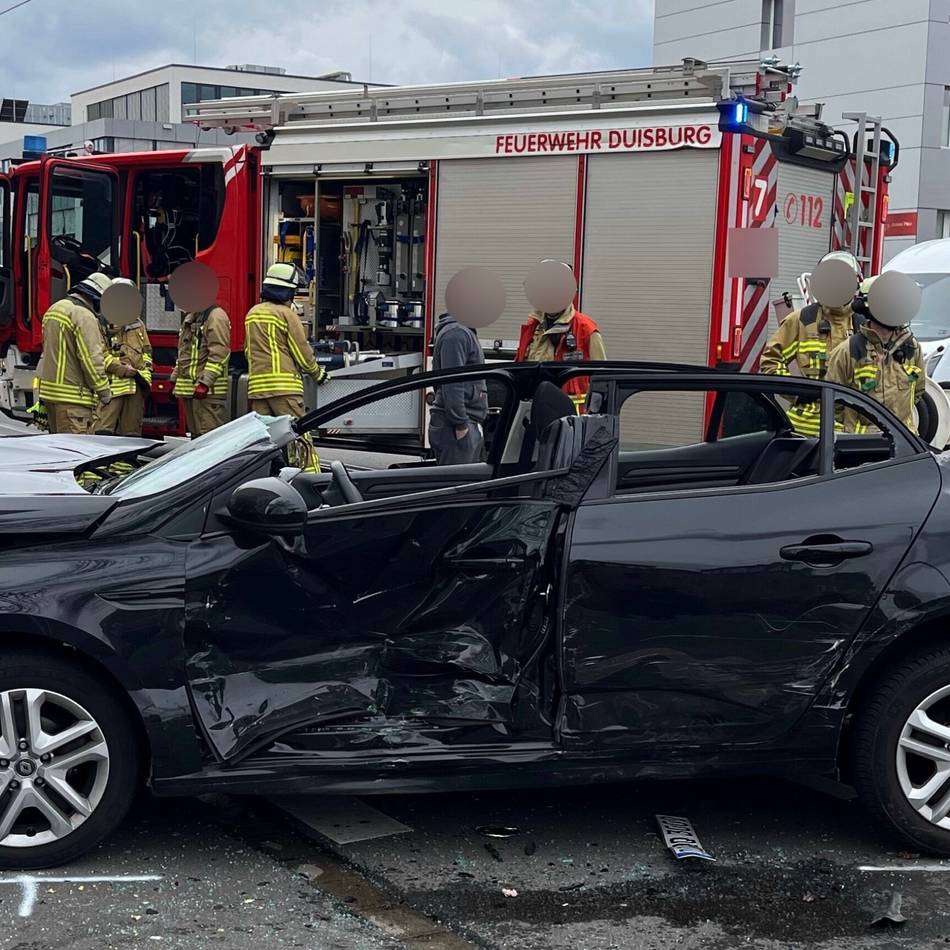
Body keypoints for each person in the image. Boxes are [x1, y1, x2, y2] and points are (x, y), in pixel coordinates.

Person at [759, 251, 863, 436]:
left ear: (856, 283)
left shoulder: (864, 326)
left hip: (850, 437)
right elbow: (770, 361)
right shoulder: (802, 320)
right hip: (804, 432)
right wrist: (797, 392)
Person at [245, 263, 330, 471]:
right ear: (288, 291)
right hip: (285, 390)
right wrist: (318, 374)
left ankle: (270, 478)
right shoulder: (287, 315)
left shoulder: (253, 313)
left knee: (266, 442)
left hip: (257, 390)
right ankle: (313, 480)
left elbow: (249, 351)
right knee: (298, 437)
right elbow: (302, 352)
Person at [825, 274, 927, 435]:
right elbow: (833, 402)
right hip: (864, 445)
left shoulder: (912, 348)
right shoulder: (848, 350)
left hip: (904, 442)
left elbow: (918, 389)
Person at [515, 263, 605, 413]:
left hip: (569, 420)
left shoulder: (586, 329)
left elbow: (602, 380)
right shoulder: (532, 326)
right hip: (531, 412)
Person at [37, 272, 114, 434]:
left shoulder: (55, 308)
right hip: (73, 400)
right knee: (75, 453)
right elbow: (91, 359)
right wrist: (104, 392)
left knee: (59, 453)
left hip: (50, 395)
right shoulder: (84, 316)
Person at [429, 310, 488, 465]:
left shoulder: (461, 331)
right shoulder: (457, 333)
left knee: (465, 484)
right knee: (457, 486)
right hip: (455, 427)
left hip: (461, 423)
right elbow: (452, 383)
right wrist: (460, 423)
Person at [95, 279, 153, 436]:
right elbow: (97, 354)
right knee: (103, 431)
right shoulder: (100, 323)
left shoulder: (138, 324)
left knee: (131, 434)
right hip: (111, 387)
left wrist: (145, 376)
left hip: (135, 386)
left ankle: (126, 461)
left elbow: (146, 352)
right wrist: (120, 369)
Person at [172, 292, 230, 438]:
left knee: (209, 438)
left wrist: (205, 383)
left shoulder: (216, 317)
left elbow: (219, 352)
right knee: (197, 438)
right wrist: (174, 379)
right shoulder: (192, 317)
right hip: (191, 391)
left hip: (208, 392)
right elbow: (185, 352)